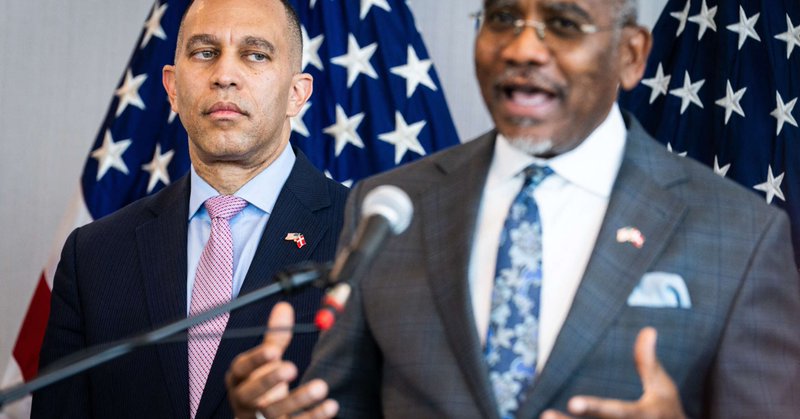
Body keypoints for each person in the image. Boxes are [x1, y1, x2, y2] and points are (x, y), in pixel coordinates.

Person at [227, 0, 800, 418]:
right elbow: (340, 405)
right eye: (503, 18)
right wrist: (276, 411)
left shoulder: (741, 235)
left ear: (629, 56)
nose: (523, 49)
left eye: (563, 24)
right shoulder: (393, 206)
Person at [31, 0, 348, 418]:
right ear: (172, 88)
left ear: (297, 93)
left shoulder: (364, 238)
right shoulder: (93, 254)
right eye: (205, 53)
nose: (225, 76)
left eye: (255, 55)